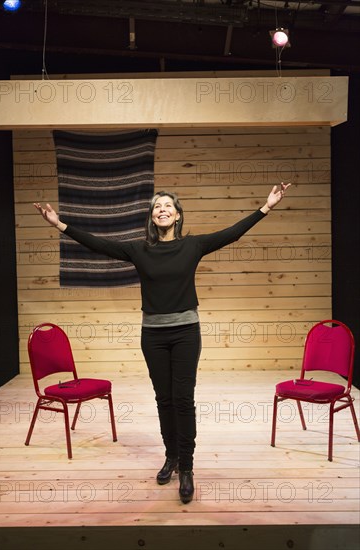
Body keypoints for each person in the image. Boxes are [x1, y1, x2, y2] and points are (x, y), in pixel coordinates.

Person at [34, 182, 290, 504]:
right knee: (164, 399)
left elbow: (232, 233)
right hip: (152, 335)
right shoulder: (140, 250)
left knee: (183, 399)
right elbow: (98, 244)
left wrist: (266, 207)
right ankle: (171, 456)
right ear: (152, 217)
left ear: (178, 214)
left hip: (185, 333)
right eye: (157, 207)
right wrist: (60, 225)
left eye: (168, 205)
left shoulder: (192, 246)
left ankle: (187, 466)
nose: (162, 210)